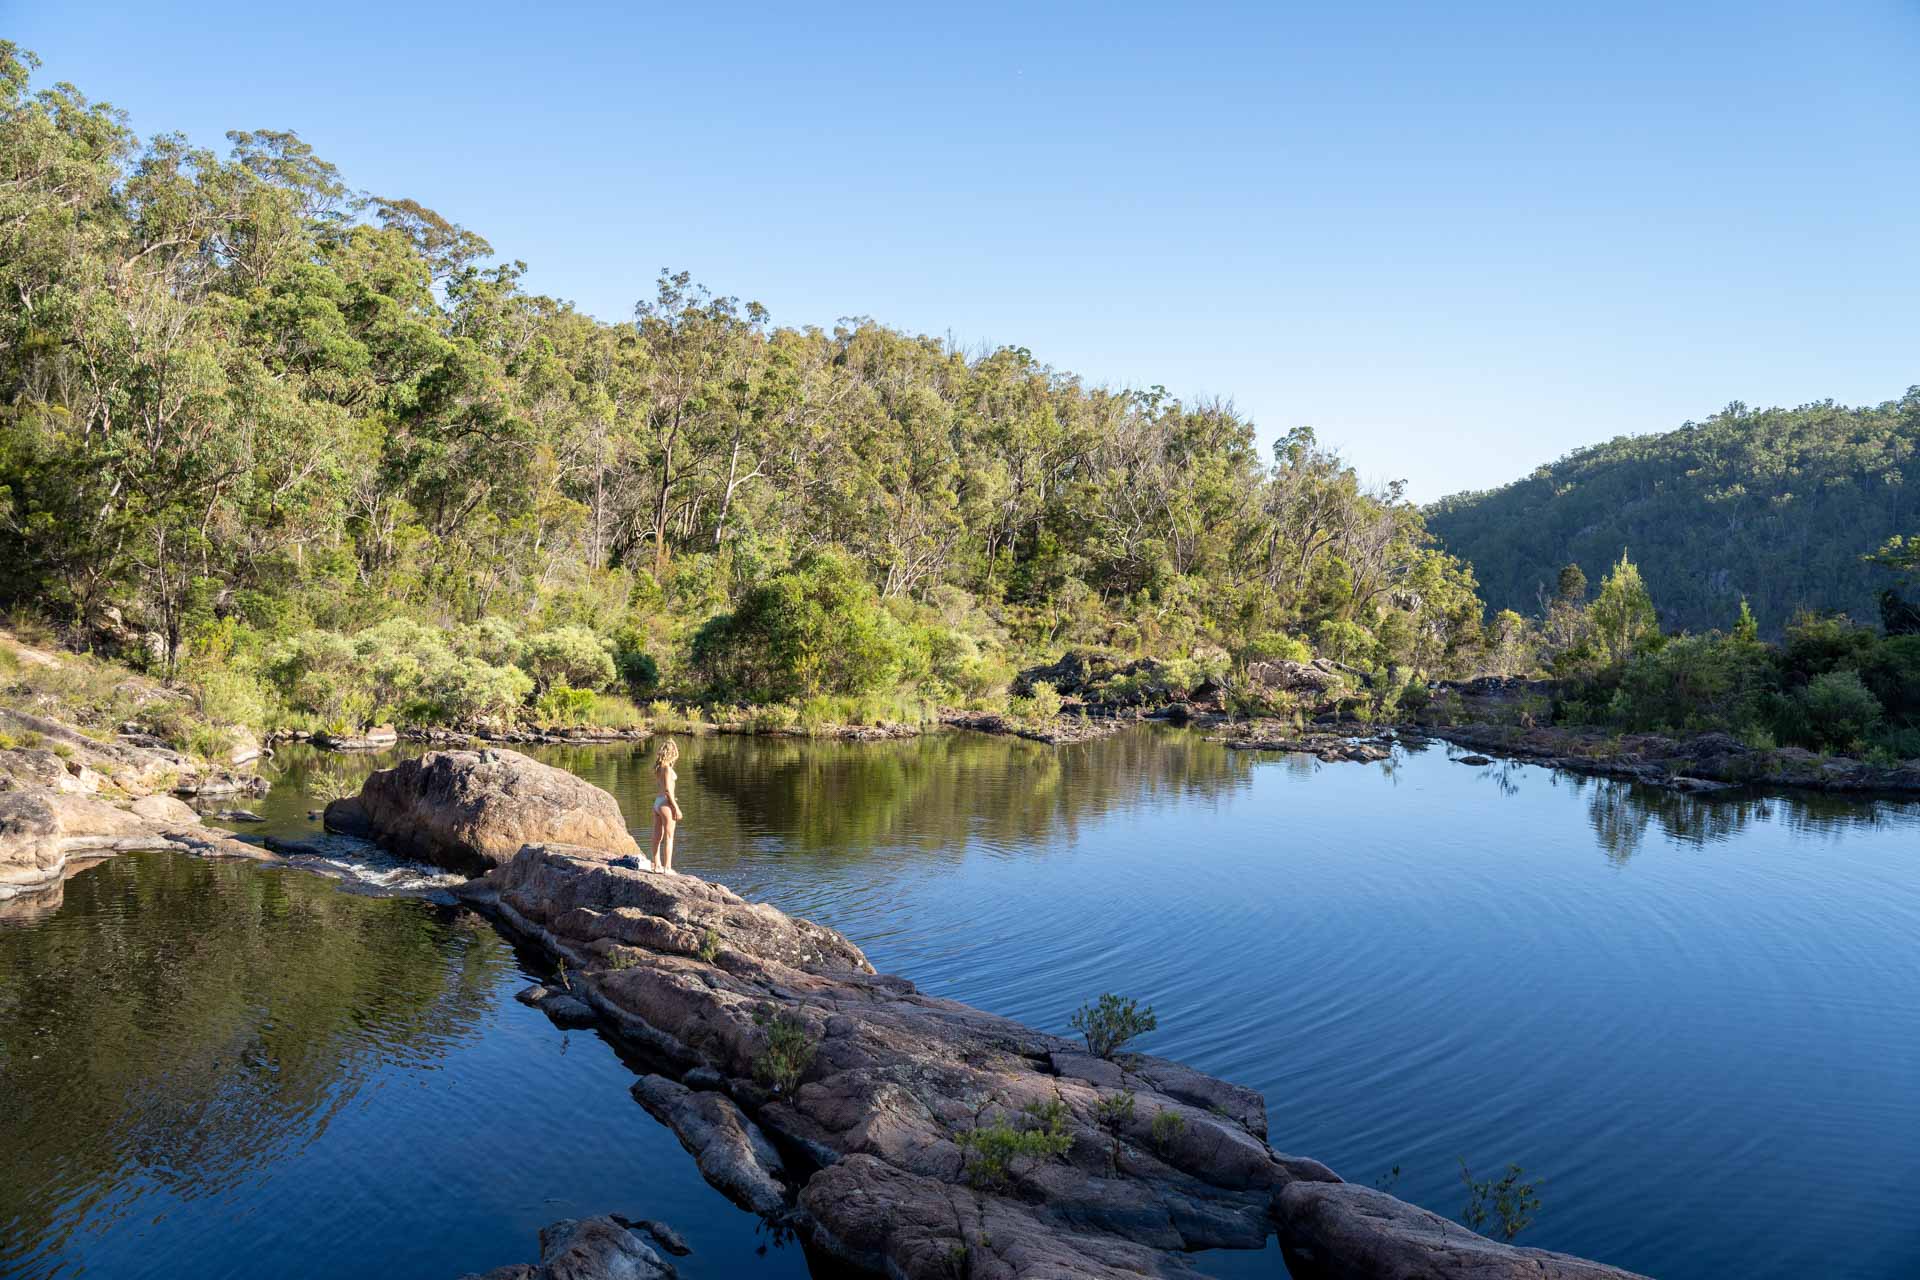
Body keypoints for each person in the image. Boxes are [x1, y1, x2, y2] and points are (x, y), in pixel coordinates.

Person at [650, 738, 682, 873]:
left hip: (657, 803)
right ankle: (667, 867)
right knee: (669, 837)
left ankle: (657, 865)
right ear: (672, 753)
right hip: (666, 803)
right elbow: (668, 790)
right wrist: (676, 807)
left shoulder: (658, 768)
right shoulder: (667, 769)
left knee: (657, 836)